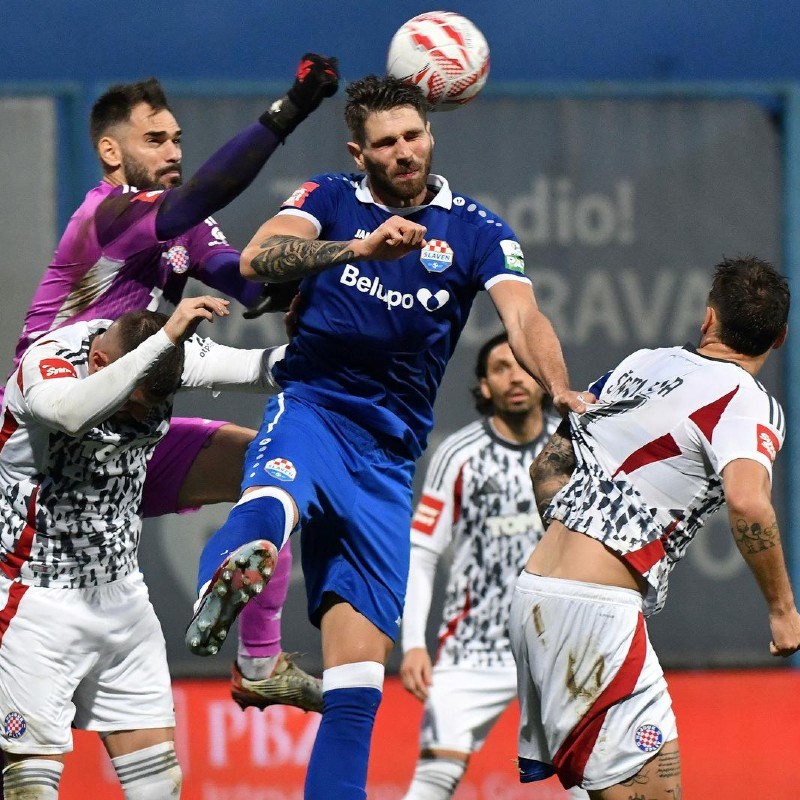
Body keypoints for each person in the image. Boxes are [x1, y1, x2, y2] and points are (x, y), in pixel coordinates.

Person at [185, 74, 586, 800]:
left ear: (431, 134)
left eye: (413, 136)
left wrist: (559, 386)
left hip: (389, 460)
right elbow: (258, 257)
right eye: (386, 143)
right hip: (315, 407)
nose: (404, 151)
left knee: (357, 687)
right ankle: (229, 574)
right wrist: (356, 250)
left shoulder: (479, 230)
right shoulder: (329, 197)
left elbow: (524, 317)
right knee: (274, 497)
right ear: (358, 153)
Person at [5, 57, 340, 714]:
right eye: (155, 139)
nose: (173, 152)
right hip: (44, 465)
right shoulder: (105, 217)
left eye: (178, 139)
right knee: (24, 728)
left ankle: (260, 663)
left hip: (125, 450)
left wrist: (342, 271)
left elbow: (250, 285)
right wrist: (290, 110)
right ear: (110, 151)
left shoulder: (180, 224)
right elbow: (201, 197)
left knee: (269, 467)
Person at [511, 255, 800, 799]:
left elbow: (547, 466)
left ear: (708, 318)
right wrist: (784, 612)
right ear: (780, 337)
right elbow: (748, 502)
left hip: (534, 593)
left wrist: (578, 549)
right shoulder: (748, 401)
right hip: (596, 611)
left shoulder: (641, 363)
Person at [0, 296, 284, 799]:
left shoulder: (168, 355)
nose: (139, 417)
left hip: (121, 595)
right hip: (35, 603)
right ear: (99, 363)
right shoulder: (47, 365)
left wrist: (354, 330)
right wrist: (167, 336)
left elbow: (265, 368)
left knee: (160, 785)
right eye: (133, 402)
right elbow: (69, 413)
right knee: (31, 789)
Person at [398, 333, 589, 800]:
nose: (514, 377)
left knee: (590, 781)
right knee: (432, 780)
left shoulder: (576, 450)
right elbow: (422, 552)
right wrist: (413, 644)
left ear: (542, 380)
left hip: (557, 646)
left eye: (523, 366)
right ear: (484, 386)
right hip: (473, 649)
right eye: (500, 368)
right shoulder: (457, 455)